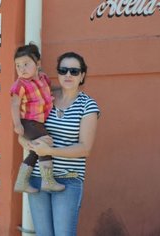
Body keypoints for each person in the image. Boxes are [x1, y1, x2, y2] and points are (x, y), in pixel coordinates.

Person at [19, 52, 100, 236]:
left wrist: (50, 150)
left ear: (82, 75)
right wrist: (27, 143)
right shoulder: (44, 97)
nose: (68, 75)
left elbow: (85, 148)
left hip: (68, 180)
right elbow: (24, 133)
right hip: (37, 178)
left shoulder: (88, 106)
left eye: (74, 71)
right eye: (63, 70)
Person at [11, 44, 65, 193]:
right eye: (18, 66)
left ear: (38, 64)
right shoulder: (20, 84)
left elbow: (48, 92)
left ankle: (21, 182)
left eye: (26, 64)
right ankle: (47, 181)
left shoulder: (44, 78)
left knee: (35, 151)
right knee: (45, 145)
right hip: (28, 122)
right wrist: (17, 124)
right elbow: (14, 104)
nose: (22, 69)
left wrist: (63, 92)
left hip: (38, 122)